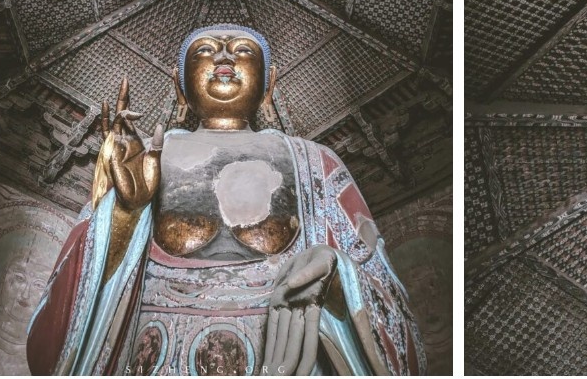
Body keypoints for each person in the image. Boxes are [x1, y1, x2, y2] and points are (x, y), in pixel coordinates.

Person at [26, 24, 424, 375]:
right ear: (180, 86)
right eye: (205, 50)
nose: (223, 58)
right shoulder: (144, 157)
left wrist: (337, 279)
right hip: (157, 357)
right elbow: (69, 295)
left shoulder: (314, 163)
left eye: (243, 51)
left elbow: (379, 282)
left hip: (284, 359)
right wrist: (126, 214)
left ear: (268, 86)